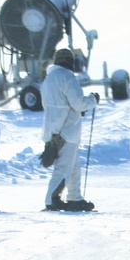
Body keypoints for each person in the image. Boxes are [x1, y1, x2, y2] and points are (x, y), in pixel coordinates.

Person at [40, 48, 99, 212]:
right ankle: (52, 199)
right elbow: (78, 103)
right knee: (64, 168)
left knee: (73, 167)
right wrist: (93, 100)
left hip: (53, 129)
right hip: (66, 130)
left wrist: (77, 109)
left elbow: (62, 103)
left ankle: (75, 198)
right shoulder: (67, 78)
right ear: (69, 61)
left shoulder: (49, 79)